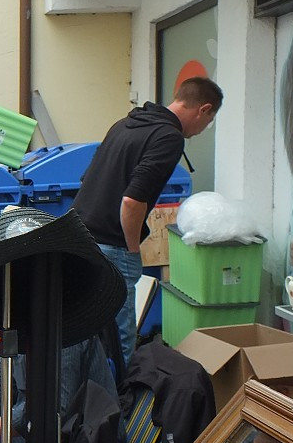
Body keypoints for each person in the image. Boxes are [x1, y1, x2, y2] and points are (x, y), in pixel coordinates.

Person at [71, 76, 223, 366]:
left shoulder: (124, 125)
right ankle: (121, 407)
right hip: (111, 246)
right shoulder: (169, 137)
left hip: (78, 237)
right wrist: (131, 249)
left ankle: (90, 405)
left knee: (88, 337)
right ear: (203, 110)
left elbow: (88, 179)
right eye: (210, 120)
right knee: (119, 342)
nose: (204, 130)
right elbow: (132, 201)